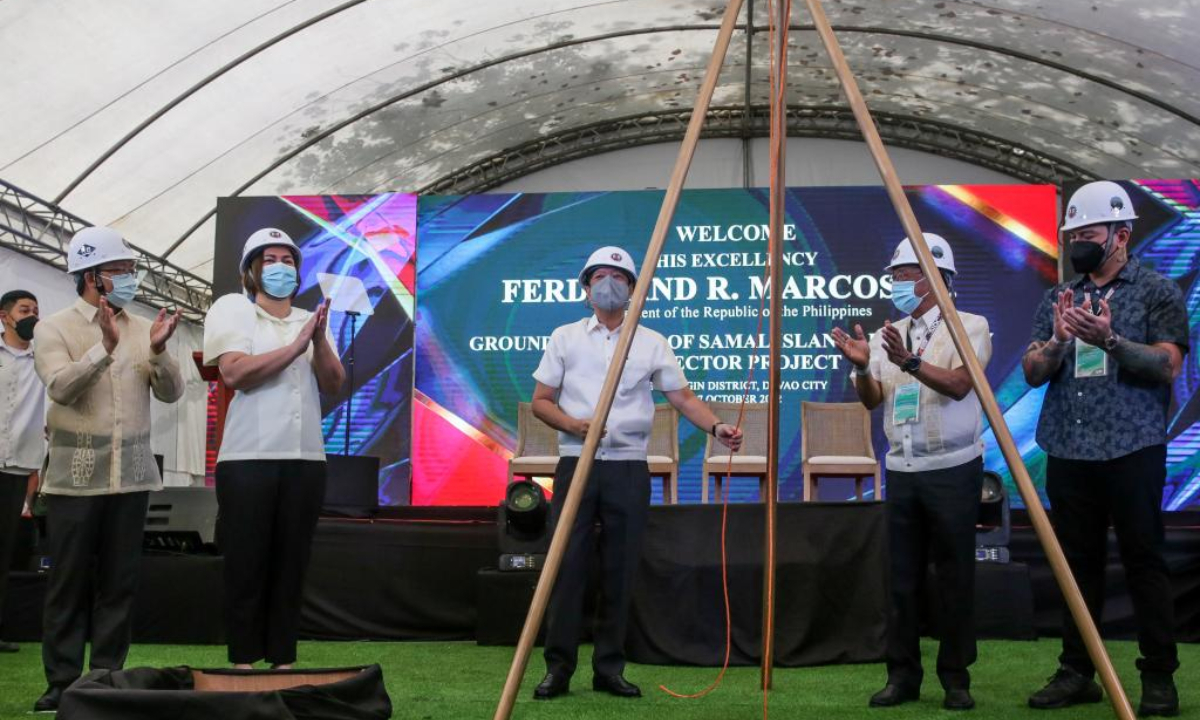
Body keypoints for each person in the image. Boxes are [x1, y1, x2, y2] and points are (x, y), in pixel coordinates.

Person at [530, 246, 743, 701]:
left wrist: (716, 426)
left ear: (633, 290)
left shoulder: (651, 341)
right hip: (578, 466)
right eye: (600, 276)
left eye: (619, 277)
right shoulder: (565, 337)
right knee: (567, 569)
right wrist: (575, 426)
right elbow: (541, 401)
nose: (609, 284)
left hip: (628, 467)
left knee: (620, 570)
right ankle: (558, 669)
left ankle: (609, 667)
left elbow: (683, 398)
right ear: (586, 287)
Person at [1022, 181, 1187, 717]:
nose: (1078, 245)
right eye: (1072, 236)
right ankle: (1077, 672)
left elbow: (1168, 365)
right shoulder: (1057, 297)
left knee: (1144, 561)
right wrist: (1060, 342)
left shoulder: (1156, 290)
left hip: (1133, 448)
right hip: (1069, 450)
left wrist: (1111, 341)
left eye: (1088, 234)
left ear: (1121, 233)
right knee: (1076, 566)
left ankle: (1158, 677)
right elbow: (1030, 372)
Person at [831, 234, 992, 712]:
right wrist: (863, 368)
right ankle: (902, 676)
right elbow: (873, 398)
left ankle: (956, 677)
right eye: (895, 276)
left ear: (934, 277)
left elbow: (962, 385)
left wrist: (911, 362)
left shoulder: (971, 326)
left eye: (903, 275)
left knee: (954, 576)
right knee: (899, 578)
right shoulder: (888, 333)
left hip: (954, 468)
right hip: (901, 468)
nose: (895, 284)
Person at [32, 227, 184, 712]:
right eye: (120, 271)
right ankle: (61, 681)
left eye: (129, 270)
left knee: (120, 582)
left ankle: (106, 676)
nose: (130, 279)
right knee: (68, 583)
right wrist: (103, 347)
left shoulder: (145, 327)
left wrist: (159, 352)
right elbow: (59, 387)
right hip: (74, 481)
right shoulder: (53, 327)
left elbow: (172, 393)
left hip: (132, 478)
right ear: (91, 276)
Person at [203, 228, 345, 670]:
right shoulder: (233, 310)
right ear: (251, 270)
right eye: (270, 260)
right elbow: (236, 373)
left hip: (305, 459)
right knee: (247, 561)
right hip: (248, 458)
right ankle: (244, 659)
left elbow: (334, 385)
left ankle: (283, 657)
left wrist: (318, 340)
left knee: (292, 563)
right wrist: (296, 345)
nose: (281, 267)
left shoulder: (308, 318)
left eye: (288, 260)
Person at [0, 290, 45, 654]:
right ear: (4, 316)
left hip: (18, 467)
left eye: (35, 310)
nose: (32, 315)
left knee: (4, 550)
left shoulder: (44, 360)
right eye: (24, 310)